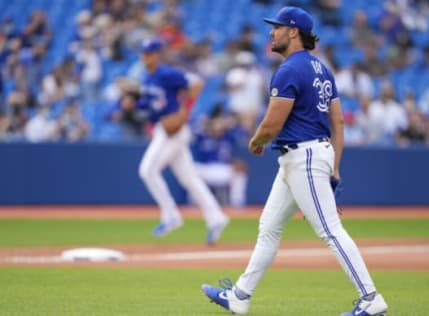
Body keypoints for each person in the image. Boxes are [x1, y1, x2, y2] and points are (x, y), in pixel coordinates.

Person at [201, 7, 388, 316]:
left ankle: (370, 298)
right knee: (269, 227)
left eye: (277, 27)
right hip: (305, 155)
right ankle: (240, 296)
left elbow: (272, 124)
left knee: (330, 230)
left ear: (293, 32)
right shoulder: (322, 69)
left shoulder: (289, 69)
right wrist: (336, 166)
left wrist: (255, 141)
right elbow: (338, 121)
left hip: (304, 156)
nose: (271, 32)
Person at [129, 38, 229, 245]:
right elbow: (149, 107)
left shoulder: (166, 73)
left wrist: (185, 110)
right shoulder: (147, 78)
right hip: (163, 129)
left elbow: (197, 83)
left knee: (147, 170)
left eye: (149, 53)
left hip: (172, 132)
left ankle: (171, 216)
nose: (145, 56)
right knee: (190, 179)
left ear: (157, 54)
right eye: (143, 53)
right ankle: (216, 218)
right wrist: (133, 104)